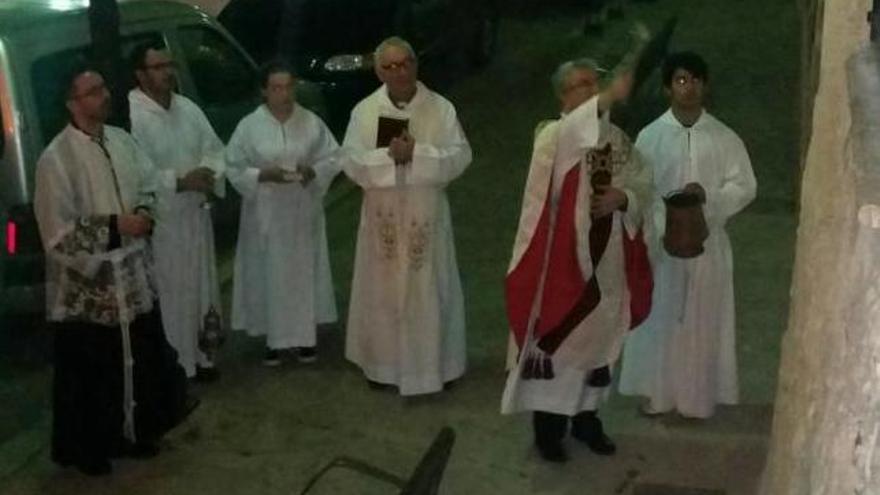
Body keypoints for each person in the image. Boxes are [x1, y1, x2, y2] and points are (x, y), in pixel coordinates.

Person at [33, 64, 192, 476]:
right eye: (92, 91)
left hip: (131, 275)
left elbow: (148, 186)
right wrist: (115, 226)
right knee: (92, 371)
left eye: (103, 87)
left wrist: (142, 210)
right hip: (90, 288)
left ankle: (135, 432)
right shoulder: (57, 159)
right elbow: (55, 231)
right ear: (72, 103)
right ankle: (91, 446)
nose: (104, 96)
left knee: (138, 358)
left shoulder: (122, 140)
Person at [501, 59, 651, 462]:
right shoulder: (554, 135)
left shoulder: (616, 138)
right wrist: (611, 93)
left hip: (607, 258)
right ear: (561, 97)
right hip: (561, 263)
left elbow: (641, 177)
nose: (589, 90)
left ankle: (587, 419)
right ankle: (549, 430)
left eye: (593, 83)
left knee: (599, 343)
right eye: (579, 86)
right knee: (563, 345)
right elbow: (573, 135)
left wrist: (625, 198)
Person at [618, 52, 757, 419]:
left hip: (708, 244)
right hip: (662, 247)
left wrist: (707, 203)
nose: (689, 87)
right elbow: (638, 187)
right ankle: (658, 393)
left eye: (695, 80)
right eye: (681, 80)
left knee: (702, 319)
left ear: (705, 86)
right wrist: (663, 220)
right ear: (667, 88)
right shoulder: (651, 136)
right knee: (662, 318)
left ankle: (697, 398)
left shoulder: (723, 137)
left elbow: (744, 185)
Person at [341, 36, 471, 396]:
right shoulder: (364, 111)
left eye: (406, 63)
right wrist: (388, 158)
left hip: (423, 213)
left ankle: (435, 367)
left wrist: (419, 154)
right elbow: (349, 161)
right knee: (382, 290)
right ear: (379, 71)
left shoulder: (440, 108)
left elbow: (460, 156)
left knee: (429, 286)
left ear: (416, 64)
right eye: (390, 66)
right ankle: (383, 366)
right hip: (383, 216)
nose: (399, 72)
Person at [225, 61, 340, 366]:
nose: (284, 94)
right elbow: (233, 165)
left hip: (301, 211)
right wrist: (261, 175)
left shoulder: (310, 122)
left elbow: (333, 157)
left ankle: (304, 338)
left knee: (302, 271)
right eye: (276, 88)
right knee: (270, 272)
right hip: (267, 213)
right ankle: (273, 339)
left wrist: (312, 171)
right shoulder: (249, 126)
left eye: (288, 86)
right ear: (264, 91)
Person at [128, 40, 225, 382]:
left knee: (202, 288)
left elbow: (215, 149)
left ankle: (203, 356)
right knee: (172, 294)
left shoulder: (187, 108)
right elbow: (137, 172)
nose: (168, 72)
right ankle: (177, 364)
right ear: (140, 74)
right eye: (158, 67)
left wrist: (209, 172)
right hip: (165, 222)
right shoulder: (133, 115)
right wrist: (180, 181)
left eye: (169, 64)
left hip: (196, 216)